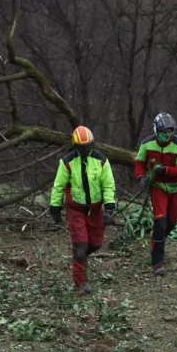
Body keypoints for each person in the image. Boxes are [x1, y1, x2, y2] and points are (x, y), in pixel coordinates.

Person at [49, 125, 117, 295]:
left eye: (89, 146)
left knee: (95, 243)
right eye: (84, 147)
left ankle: (80, 259)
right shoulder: (67, 163)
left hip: (95, 210)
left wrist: (109, 206)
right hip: (76, 210)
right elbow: (58, 186)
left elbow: (108, 185)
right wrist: (55, 207)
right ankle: (80, 282)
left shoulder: (101, 160)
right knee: (80, 246)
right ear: (77, 147)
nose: (87, 149)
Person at [135, 112, 177, 276]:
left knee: (170, 222)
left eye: (170, 131)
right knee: (160, 221)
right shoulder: (146, 144)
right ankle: (157, 261)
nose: (167, 135)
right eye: (164, 131)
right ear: (157, 131)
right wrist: (141, 177)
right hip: (158, 187)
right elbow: (139, 161)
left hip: (176, 188)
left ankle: (158, 239)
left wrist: (166, 170)